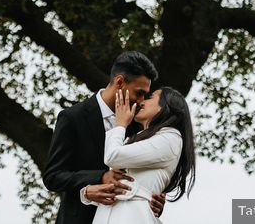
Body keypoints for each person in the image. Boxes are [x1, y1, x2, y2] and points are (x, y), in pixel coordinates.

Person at [43, 51, 167, 224]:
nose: (141, 101)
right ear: (120, 82)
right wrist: (96, 180)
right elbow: (53, 176)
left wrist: (153, 198)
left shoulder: (139, 126)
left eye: (145, 95)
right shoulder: (72, 117)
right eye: (138, 93)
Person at [91, 86, 196, 224]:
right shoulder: (134, 139)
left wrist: (120, 125)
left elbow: (112, 156)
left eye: (151, 97)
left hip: (132, 216)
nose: (141, 102)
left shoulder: (171, 138)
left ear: (167, 106)